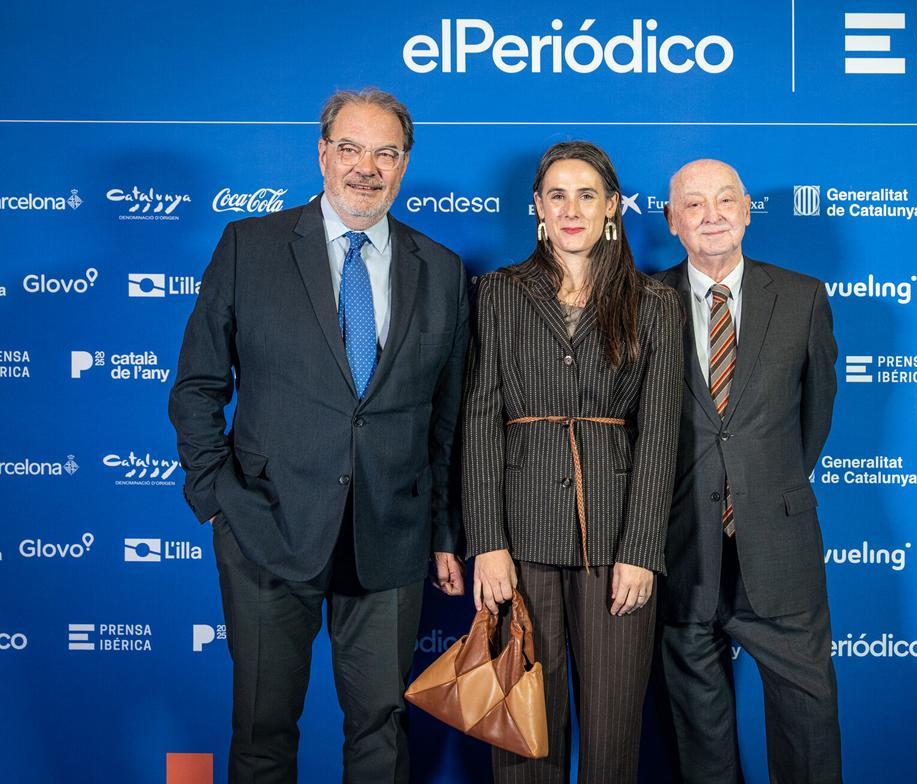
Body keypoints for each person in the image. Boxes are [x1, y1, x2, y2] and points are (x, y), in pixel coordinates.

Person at [168, 87, 468, 784]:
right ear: (323, 154)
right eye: (351, 149)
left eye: (385, 152)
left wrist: (444, 528)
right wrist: (219, 497)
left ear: (405, 163)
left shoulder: (444, 270)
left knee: (381, 730)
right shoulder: (251, 245)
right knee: (263, 730)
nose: (367, 167)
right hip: (266, 529)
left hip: (390, 535)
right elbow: (197, 386)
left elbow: (448, 416)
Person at [462, 140, 684, 782]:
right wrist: (488, 542)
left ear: (613, 206)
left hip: (616, 545)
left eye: (587, 194)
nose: (571, 208)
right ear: (536, 206)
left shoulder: (656, 305)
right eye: (556, 194)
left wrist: (642, 548)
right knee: (524, 737)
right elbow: (478, 421)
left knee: (614, 738)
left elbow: (660, 435)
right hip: (519, 543)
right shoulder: (497, 293)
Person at [654, 159, 842, 783]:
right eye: (695, 204)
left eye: (726, 200)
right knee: (701, 738)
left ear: (746, 211)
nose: (712, 215)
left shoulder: (802, 297)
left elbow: (813, 420)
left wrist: (761, 487)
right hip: (681, 550)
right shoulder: (643, 301)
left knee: (808, 732)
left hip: (778, 543)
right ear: (672, 220)